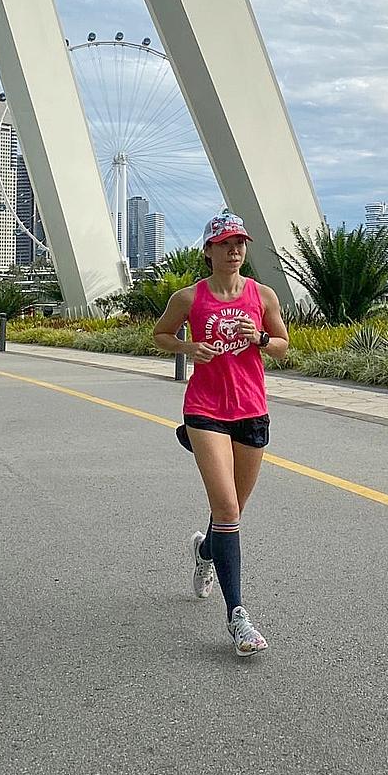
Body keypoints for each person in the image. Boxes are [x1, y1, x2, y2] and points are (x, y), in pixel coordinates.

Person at [153, 210, 289, 656]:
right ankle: (238, 617)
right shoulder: (188, 298)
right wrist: (189, 346)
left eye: (241, 243)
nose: (235, 250)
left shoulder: (261, 295)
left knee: (232, 513)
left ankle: (205, 552)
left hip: (251, 411)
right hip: (205, 410)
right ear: (209, 249)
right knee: (226, 507)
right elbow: (161, 335)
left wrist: (260, 340)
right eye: (226, 243)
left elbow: (284, 348)